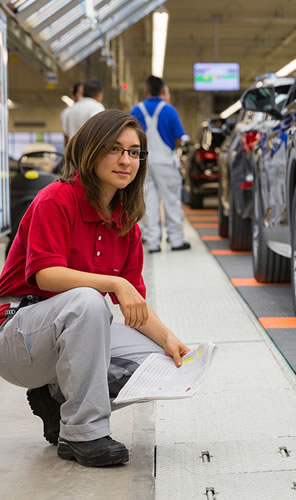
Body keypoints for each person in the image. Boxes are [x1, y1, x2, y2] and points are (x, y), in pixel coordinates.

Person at [0, 110, 189, 467]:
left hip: (63, 336)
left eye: (134, 152)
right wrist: (114, 282)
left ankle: (57, 397)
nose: (125, 160)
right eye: (115, 149)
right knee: (90, 303)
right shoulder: (56, 199)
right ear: (90, 150)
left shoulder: (126, 225)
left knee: (156, 364)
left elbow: (134, 303)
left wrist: (170, 341)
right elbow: (45, 275)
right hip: (15, 333)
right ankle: (83, 434)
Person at [131, 75, 190, 253]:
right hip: (166, 161)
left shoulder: (136, 110)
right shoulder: (169, 110)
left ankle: (153, 242)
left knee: (148, 202)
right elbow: (179, 137)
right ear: (162, 90)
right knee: (171, 201)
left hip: (144, 162)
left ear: (146, 90)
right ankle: (176, 240)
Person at [60, 82, 83, 146]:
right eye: (81, 94)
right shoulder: (67, 112)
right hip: (73, 150)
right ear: (74, 96)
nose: (83, 97)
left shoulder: (90, 109)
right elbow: (66, 136)